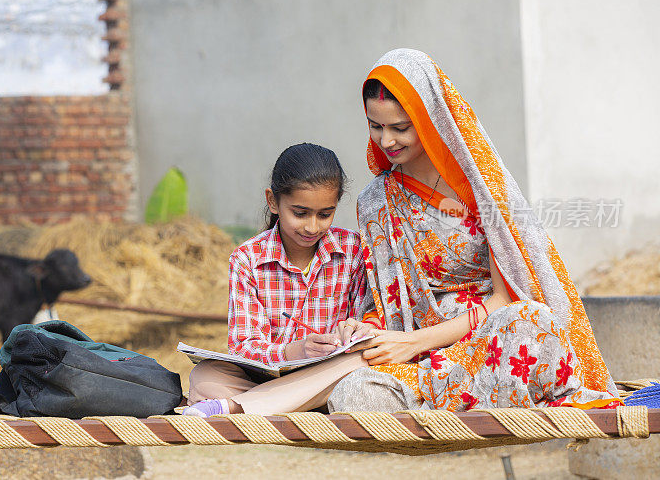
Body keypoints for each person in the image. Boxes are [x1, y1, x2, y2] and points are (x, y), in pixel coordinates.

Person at [327, 49, 620, 412]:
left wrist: (415, 342)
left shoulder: (478, 186)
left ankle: (448, 405)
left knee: (530, 320)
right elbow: (387, 300)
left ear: (430, 118)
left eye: (401, 128)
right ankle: (471, 401)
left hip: (489, 338)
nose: (387, 141)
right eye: (376, 126)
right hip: (421, 362)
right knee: (354, 394)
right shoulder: (377, 201)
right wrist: (366, 329)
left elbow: (504, 299)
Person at [183, 143, 371, 417]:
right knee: (205, 376)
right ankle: (297, 403)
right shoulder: (247, 258)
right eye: (300, 213)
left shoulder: (353, 249)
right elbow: (244, 346)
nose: (312, 227)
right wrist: (295, 351)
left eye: (325, 214)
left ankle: (236, 407)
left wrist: (354, 331)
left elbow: (364, 325)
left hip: (333, 372)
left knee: (360, 362)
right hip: (270, 380)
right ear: (273, 201)